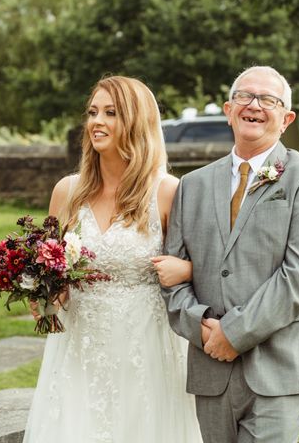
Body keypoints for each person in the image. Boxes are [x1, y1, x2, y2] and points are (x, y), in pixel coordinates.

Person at [156, 66, 299, 442]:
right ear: (228, 109)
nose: (254, 105)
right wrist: (202, 326)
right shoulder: (192, 185)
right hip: (211, 366)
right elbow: (169, 273)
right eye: (244, 96)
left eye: (268, 99)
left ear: (286, 118)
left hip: (281, 364)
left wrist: (235, 333)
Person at [22, 75, 203, 443]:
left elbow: (208, 268)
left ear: (136, 122)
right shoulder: (67, 191)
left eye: (111, 113)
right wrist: (41, 293)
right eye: (93, 112)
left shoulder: (167, 192)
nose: (96, 122)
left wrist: (186, 269)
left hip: (145, 345)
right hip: (78, 344)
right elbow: (50, 268)